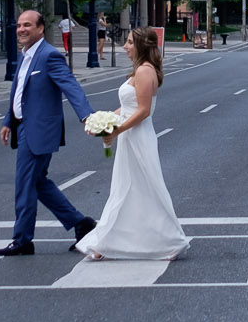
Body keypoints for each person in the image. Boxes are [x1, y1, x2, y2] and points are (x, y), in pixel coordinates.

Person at [74, 28, 188, 262]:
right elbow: (127, 108)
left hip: (138, 137)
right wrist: (102, 120)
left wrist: (116, 131)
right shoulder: (139, 70)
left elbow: (144, 111)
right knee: (126, 188)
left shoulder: (145, 71)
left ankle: (169, 240)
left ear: (142, 47)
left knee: (144, 187)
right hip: (130, 136)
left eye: (129, 42)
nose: (125, 46)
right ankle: (107, 242)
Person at [0, 9, 95, 257]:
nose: (21, 29)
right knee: (38, 183)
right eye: (18, 25)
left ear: (40, 29)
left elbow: (70, 85)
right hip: (24, 125)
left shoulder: (49, 56)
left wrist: (87, 116)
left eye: (27, 25)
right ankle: (82, 224)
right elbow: (19, 93)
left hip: (39, 130)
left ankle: (23, 239)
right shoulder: (25, 55)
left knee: (25, 184)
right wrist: (9, 120)